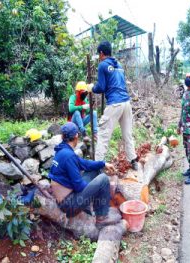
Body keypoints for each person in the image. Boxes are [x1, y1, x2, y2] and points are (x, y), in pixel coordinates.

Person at [48, 122, 119, 227]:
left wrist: (103, 164)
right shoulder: (68, 156)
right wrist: (94, 190)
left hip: (68, 197)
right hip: (69, 205)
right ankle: (101, 218)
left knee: (94, 170)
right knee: (103, 179)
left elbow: (84, 164)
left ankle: (91, 208)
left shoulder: (62, 150)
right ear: (76, 136)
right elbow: (78, 186)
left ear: (63, 136)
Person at [87, 41, 138, 170]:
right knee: (127, 134)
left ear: (101, 53)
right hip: (126, 103)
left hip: (115, 104)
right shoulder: (118, 64)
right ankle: (133, 161)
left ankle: (97, 167)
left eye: (99, 54)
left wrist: (91, 87)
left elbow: (101, 87)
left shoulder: (103, 65)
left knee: (103, 135)